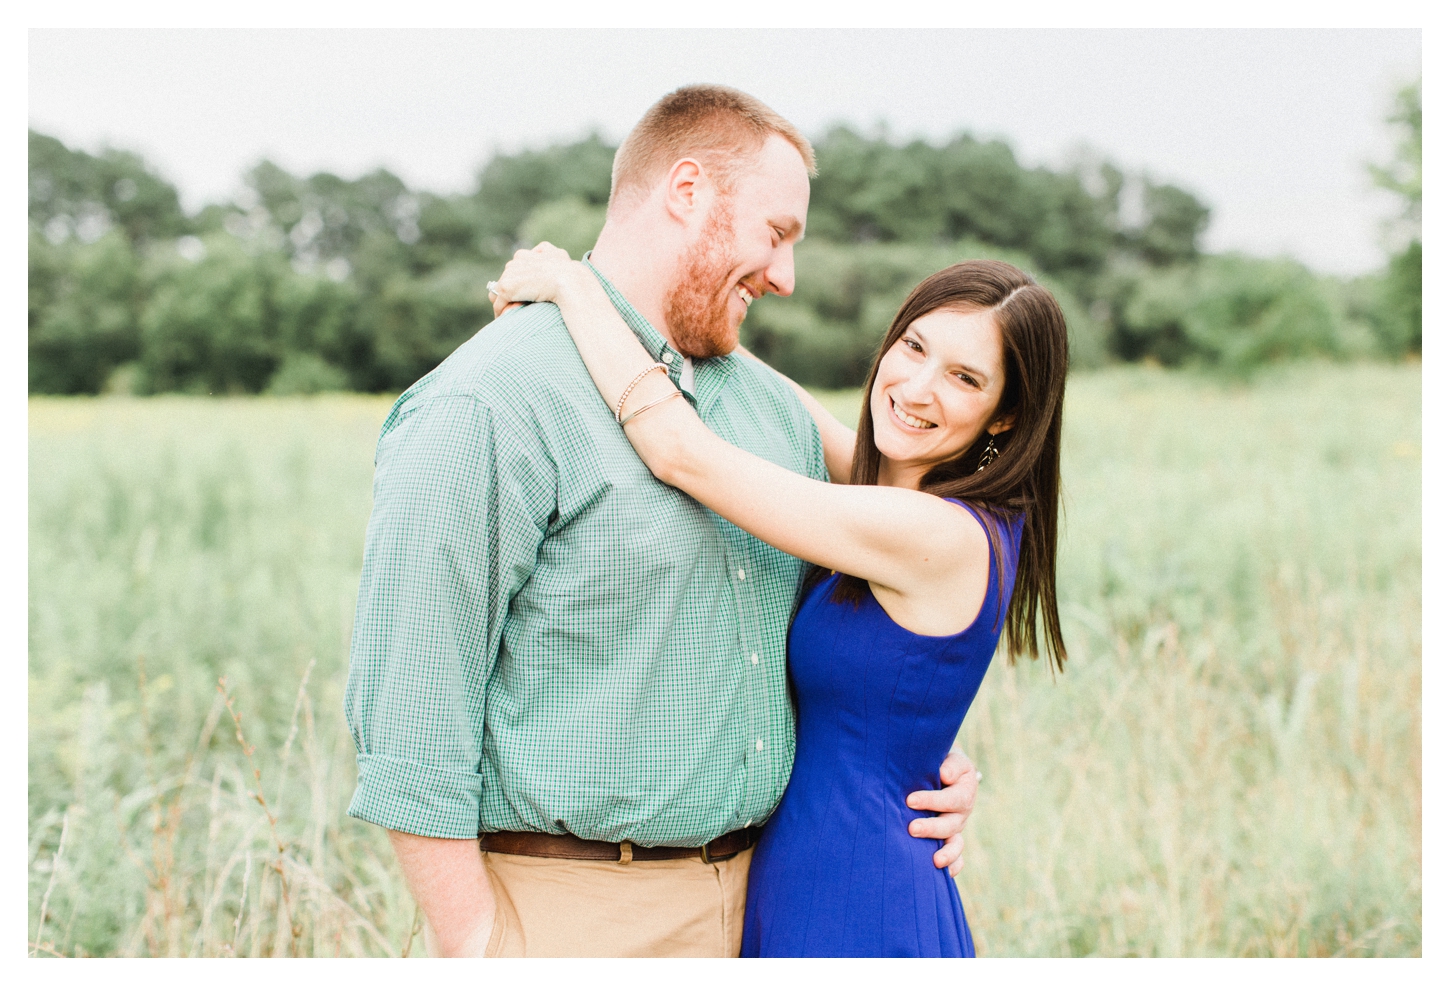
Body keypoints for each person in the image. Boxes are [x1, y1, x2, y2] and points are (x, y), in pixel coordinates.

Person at [343, 84, 984, 959]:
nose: (786, 276)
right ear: (688, 192)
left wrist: (917, 765)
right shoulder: (491, 400)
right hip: (572, 919)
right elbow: (412, 711)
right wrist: (478, 946)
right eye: (776, 233)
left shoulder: (774, 414)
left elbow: (853, 638)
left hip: (775, 912)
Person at [488, 243, 1069, 957]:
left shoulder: (934, 533)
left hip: (856, 898)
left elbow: (681, 453)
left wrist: (575, 290)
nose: (917, 387)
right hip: (817, 872)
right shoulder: (883, 487)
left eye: (964, 378)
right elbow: (768, 383)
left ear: (1004, 418)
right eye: (913, 346)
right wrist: (633, 297)